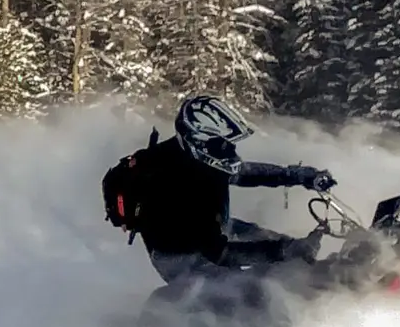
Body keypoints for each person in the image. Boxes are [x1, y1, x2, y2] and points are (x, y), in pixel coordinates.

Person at [103, 95, 335, 284]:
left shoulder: (194, 158)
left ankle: (318, 277)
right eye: (222, 144)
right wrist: (282, 251)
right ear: (200, 142)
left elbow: (243, 173)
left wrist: (297, 176)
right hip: (183, 258)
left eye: (229, 144)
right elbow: (219, 253)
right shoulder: (176, 189)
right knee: (254, 287)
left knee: (281, 245)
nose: (229, 150)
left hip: (208, 231)